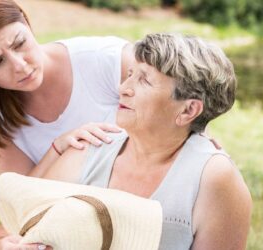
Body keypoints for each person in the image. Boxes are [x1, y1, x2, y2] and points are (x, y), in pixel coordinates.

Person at [0, 0, 132, 249]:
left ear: (27, 23)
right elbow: (19, 206)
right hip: (77, 220)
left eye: (20, 43)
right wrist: (57, 149)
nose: (20, 65)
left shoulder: (106, 60)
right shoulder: (2, 120)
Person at [40, 33, 252, 249]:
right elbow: (24, 230)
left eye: (144, 80)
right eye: (129, 74)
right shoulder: (87, 148)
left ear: (188, 110)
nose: (123, 88)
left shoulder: (214, 179)